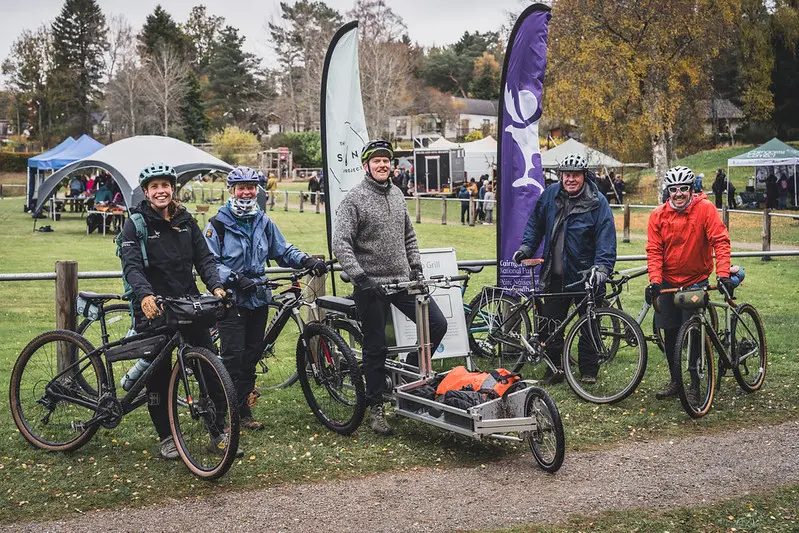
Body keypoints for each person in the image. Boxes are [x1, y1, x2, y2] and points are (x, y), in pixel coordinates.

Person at [333, 139, 448, 436]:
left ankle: (406, 381)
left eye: (387, 161)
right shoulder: (354, 199)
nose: (383, 165)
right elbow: (341, 243)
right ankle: (376, 408)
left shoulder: (397, 194)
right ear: (366, 166)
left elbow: (409, 235)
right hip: (371, 286)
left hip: (403, 281)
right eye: (377, 161)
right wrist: (360, 277)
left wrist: (417, 267)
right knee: (376, 348)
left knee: (436, 325)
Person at [119, 163, 231, 460]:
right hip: (154, 308)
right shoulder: (136, 224)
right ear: (146, 192)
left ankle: (218, 432)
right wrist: (144, 296)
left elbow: (205, 259)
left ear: (173, 189)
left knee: (209, 368)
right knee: (158, 376)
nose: (161, 191)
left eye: (165, 185)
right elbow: (131, 266)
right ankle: (167, 437)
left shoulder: (186, 221)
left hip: (188, 304)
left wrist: (216, 285)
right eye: (154, 187)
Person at [204, 167, 327, 431]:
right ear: (231, 191)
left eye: (251, 187)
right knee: (232, 357)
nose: (246, 192)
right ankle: (221, 416)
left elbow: (282, 250)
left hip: (258, 298)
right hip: (231, 300)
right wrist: (235, 279)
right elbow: (209, 264)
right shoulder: (217, 225)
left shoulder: (263, 221)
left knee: (251, 356)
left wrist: (306, 259)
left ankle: (243, 411)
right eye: (241, 187)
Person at [513, 153, 616, 385]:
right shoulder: (550, 195)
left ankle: (588, 371)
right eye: (566, 174)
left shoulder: (598, 202)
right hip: (555, 274)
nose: (570, 179)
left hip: (586, 276)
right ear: (560, 176)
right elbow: (535, 223)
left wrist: (602, 267)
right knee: (550, 325)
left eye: (575, 175)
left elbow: (606, 238)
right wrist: (527, 247)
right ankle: (555, 369)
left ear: (584, 176)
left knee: (589, 324)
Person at [645, 166, 731, 403]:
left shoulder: (705, 209)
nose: (679, 194)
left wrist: (722, 274)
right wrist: (654, 281)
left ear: (692, 189)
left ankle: (694, 383)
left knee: (693, 331)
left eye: (684, 189)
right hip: (668, 281)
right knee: (670, 332)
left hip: (695, 280)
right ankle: (676, 380)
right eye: (674, 189)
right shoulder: (658, 215)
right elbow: (654, 250)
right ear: (668, 191)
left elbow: (720, 241)